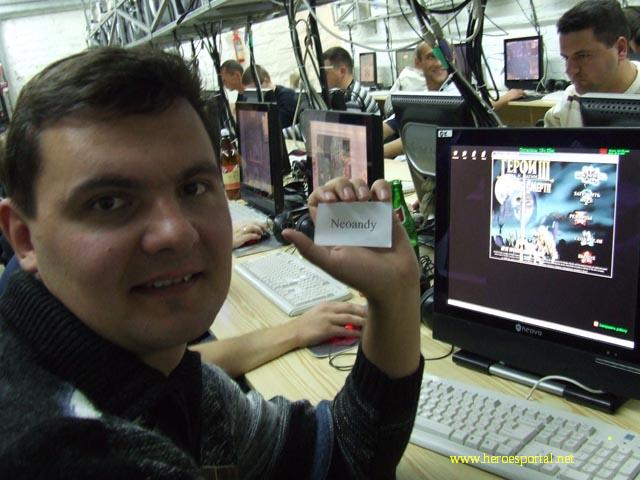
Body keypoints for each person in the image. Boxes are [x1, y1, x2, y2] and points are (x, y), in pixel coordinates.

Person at [0, 47, 422, 478]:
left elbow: (337, 457)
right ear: (23, 238)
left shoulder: (150, 370)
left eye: (193, 187)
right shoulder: (57, 454)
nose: (176, 232)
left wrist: (394, 297)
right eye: (108, 202)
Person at [383, 41, 523, 158]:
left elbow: (417, 139)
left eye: (445, 56)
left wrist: (376, 155)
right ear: (418, 63)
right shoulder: (423, 96)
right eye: (431, 57)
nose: (440, 63)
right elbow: (391, 125)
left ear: (453, 59)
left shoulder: (455, 95)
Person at [544, 0, 640, 127]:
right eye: (566, 58)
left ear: (620, 49)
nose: (570, 70)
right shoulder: (569, 102)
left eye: (583, 56)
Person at [241, 64, 300, 128]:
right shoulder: (263, 100)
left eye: (254, 90)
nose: (253, 96)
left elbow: (280, 125)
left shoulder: (287, 96)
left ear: (266, 80)